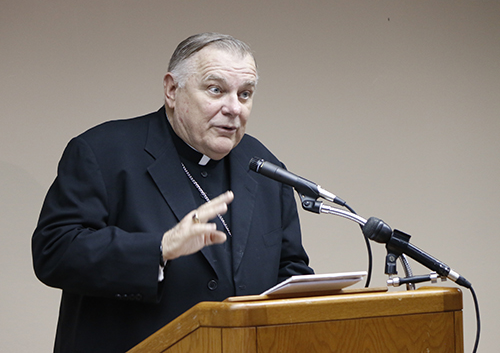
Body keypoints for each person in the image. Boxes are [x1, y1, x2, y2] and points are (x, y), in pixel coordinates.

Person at [32, 32, 313, 352]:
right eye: (216, 90)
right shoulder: (103, 152)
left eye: (245, 94)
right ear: (171, 89)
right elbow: (53, 252)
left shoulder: (264, 169)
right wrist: (160, 248)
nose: (234, 108)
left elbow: (289, 271)